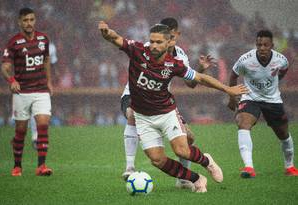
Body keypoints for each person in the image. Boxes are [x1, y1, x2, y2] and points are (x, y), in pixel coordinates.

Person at [99, 21, 248, 192]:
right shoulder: (138, 50)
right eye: (152, 41)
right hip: (143, 117)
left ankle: (207, 161)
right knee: (157, 160)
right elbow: (117, 38)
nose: (153, 45)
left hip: (166, 113)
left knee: (183, 150)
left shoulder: (174, 64)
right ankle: (196, 179)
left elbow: (200, 78)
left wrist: (228, 89)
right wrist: (107, 33)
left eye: (158, 42)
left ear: (168, 42)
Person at [120, 17, 215, 190]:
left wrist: (200, 69)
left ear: (175, 36)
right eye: (168, 35)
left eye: (173, 35)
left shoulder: (180, 55)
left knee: (189, 138)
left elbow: (191, 83)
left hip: (161, 103)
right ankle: (129, 167)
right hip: (134, 95)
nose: (171, 39)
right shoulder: (147, 48)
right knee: (131, 113)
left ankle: (184, 178)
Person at [228, 29, 298, 178]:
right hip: (250, 97)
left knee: (283, 134)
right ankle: (249, 167)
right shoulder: (245, 59)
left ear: (272, 45)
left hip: (273, 100)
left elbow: (283, 71)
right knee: (243, 123)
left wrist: (274, 83)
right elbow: (233, 76)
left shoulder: (281, 60)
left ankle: (290, 166)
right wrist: (232, 97)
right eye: (259, 45)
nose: (262, 48)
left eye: (266, 45)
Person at [1, 7, 53, 176]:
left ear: (35, 20)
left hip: (41, 90)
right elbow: (5, 67)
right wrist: (11, 80)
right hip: (22, 92)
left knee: (43, 124)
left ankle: (41, 166)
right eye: (25, 20)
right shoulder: (13, 43)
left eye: (31, 20)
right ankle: (17, 166)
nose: (29, 23)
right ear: (19, 22)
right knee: (21, 131)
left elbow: (46, 60)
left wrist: (49, 82)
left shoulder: (43, 39)